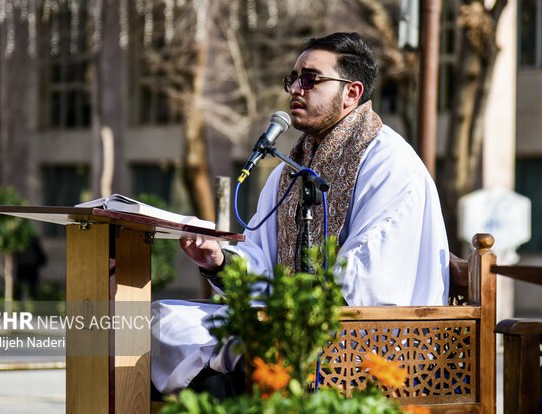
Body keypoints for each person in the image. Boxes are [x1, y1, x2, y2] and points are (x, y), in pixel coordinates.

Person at [151, 32, 450, 398]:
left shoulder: (389, 164)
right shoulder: (289, 169)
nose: (296, 88)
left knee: (223, 367)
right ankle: (222, 386)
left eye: (310, 79)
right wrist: (217, 260)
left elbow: (370, 285)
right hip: (295, 321)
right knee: (161, 319)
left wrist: (286, 312)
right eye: (292, 79)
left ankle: (223, 388)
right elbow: (263, 259)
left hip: (373, 342)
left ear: (352, 93)